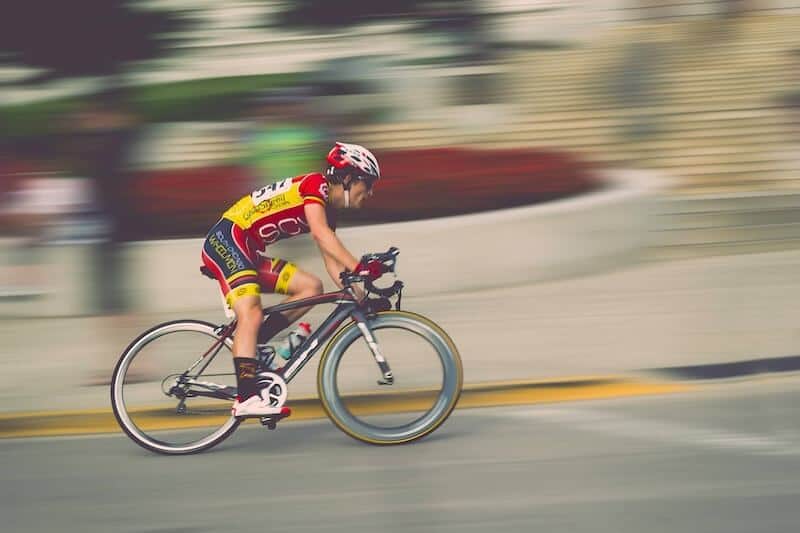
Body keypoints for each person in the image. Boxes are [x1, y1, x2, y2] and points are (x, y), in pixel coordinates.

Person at [201, 142, 386, 417]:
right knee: (250, 313)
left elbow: (331, 259)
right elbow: (321, 236)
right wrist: (360, 265)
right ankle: (246, 398)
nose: (369, 193)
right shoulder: (316, 185)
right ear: (348, 178)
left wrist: (360, 295)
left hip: (247, 251)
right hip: (228, 240)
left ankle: (256, 343)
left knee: (311, 287)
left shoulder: (328, 210)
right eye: (367, 184)